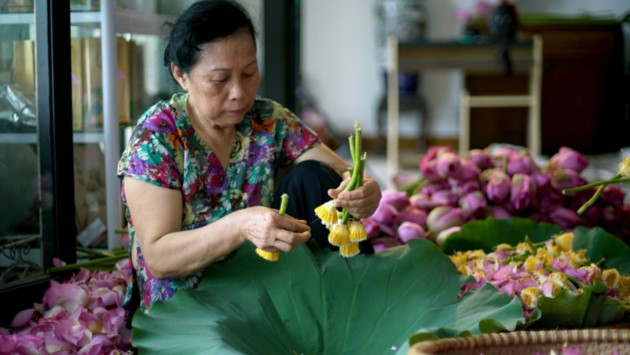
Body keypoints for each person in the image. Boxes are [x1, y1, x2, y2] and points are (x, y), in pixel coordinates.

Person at [116, 0, 382, 318]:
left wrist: (364, 188)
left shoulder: (265, 117)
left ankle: (365, 308)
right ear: (180, 74)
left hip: (261, 284)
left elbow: (342, 171)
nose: (239, 93)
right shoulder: (157, 137)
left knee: (315, 176)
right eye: (219, 80)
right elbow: (160, 258)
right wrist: (241, 225)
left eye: (249, 73)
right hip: (188, 306)